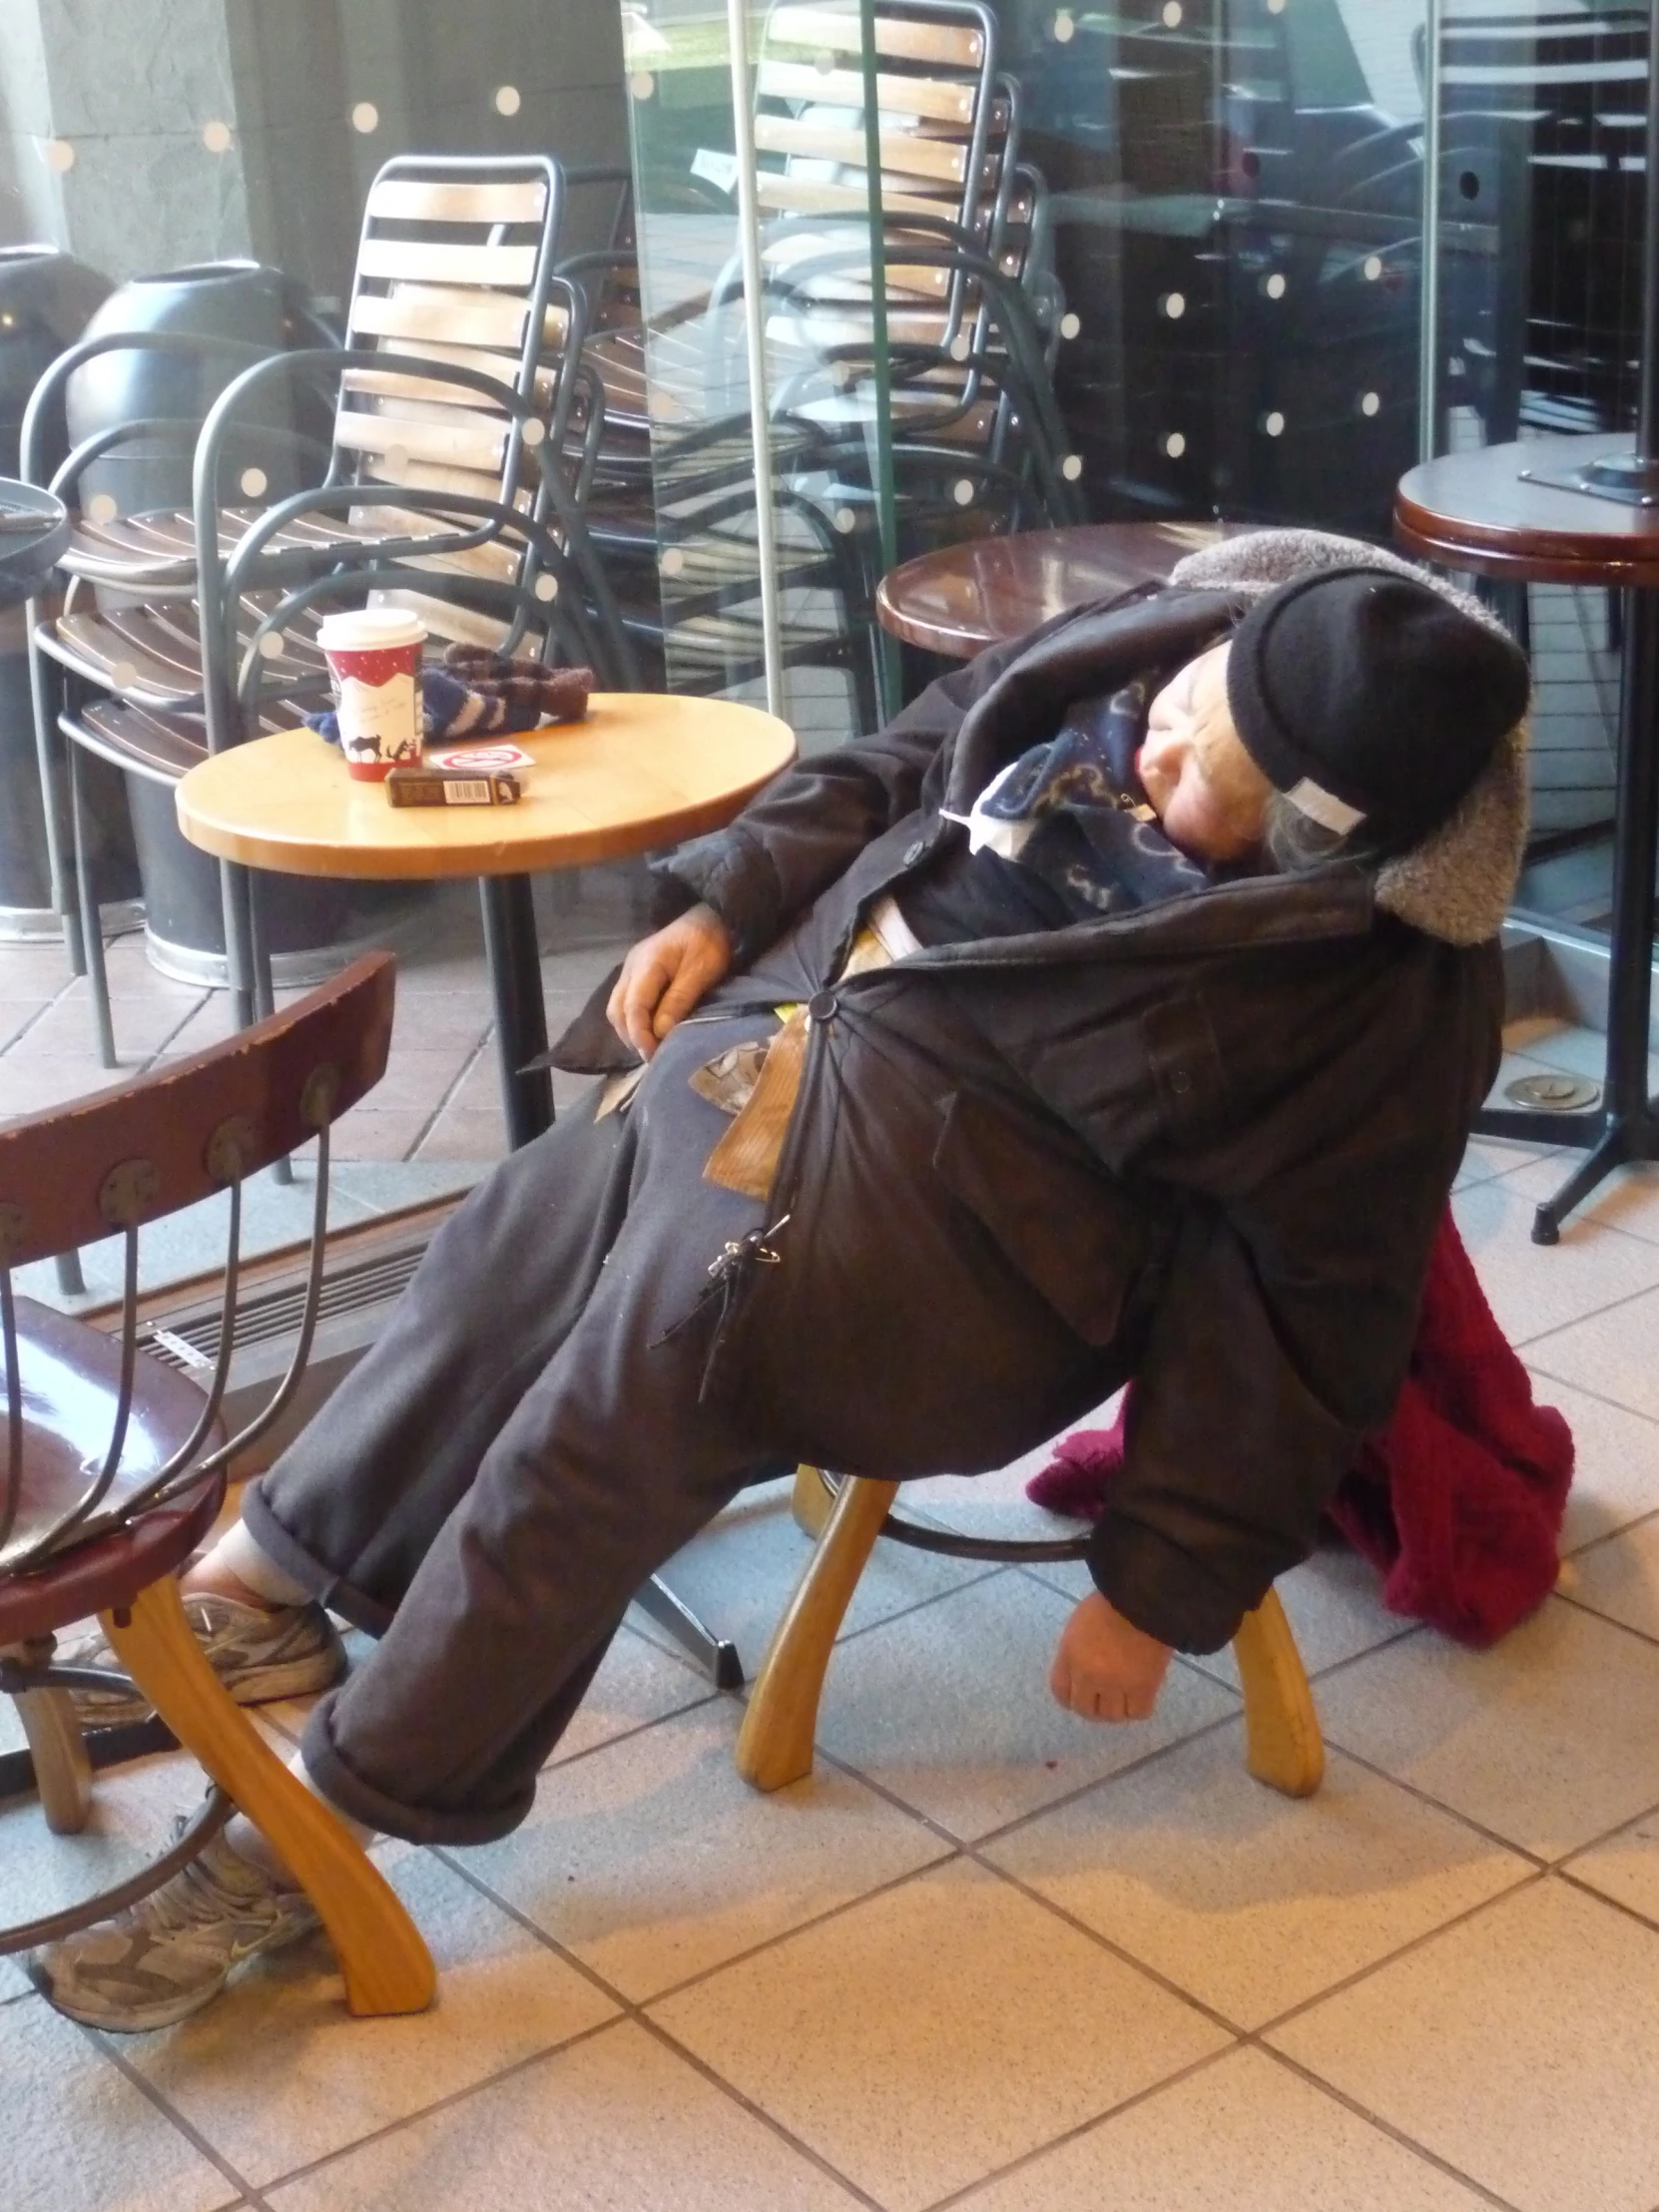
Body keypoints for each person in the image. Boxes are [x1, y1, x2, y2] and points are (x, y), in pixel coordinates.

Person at [33, 528, 1531, 2031]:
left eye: (1208, 779)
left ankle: (323, 1827)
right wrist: (724, 904)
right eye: (1191, 697)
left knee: (597, 1432)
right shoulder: (1154, 645)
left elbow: (1293, 1318)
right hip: (759, 1053)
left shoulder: (1373, 993)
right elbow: (898, 763)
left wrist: (1156, 1588)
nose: (1163, 744)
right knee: (502, 1251)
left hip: (939, 1268)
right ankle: (274, 1581)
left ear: (1306, 845)